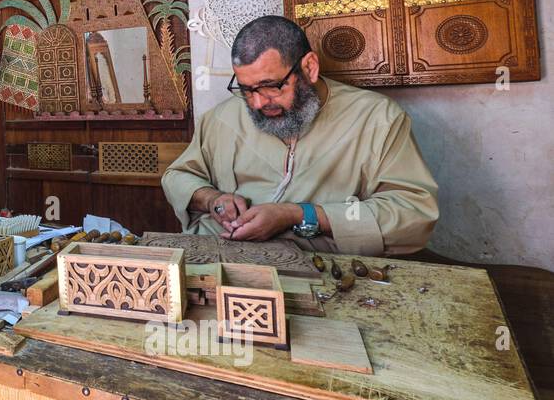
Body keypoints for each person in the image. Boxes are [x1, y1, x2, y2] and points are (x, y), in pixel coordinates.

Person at [161, 15, 438, 256]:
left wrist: (299, 215)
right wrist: (213, 199)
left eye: (271, 86)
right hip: (223, 253)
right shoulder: (222, 119)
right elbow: (177, 177)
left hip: (324, 268)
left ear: (309, 68)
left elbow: (412, 214)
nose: (257, 103)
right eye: (246, 89)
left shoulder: (377, 119)